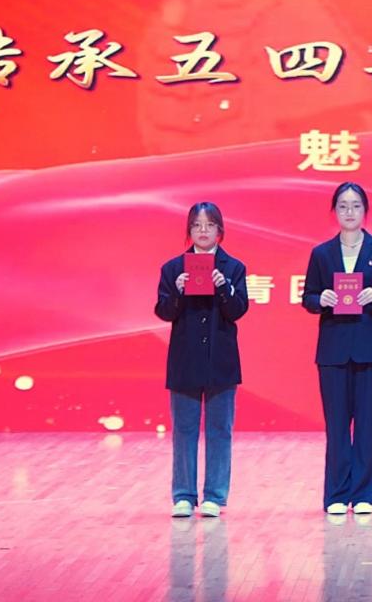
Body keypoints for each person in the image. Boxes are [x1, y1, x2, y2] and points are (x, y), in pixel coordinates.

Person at [302, 182, 372, 515]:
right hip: (333, 350)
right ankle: (336, 494)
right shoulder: (322, 254)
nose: (349, 212)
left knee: (368, 423)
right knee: (337, 424)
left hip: (371, 349)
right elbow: (308, 297)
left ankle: (364, 495)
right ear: (334, 211)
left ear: (365, 210)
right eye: (343, 206)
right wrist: (321, 299)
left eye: (356, 205)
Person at [155, 202, 249, 518]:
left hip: (221, 361)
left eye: (209, 225)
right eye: (197, 225)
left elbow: (238, 310)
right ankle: (183, 495)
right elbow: (163, 311)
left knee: (220, 429)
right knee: (184, 429)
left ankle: (215, 496)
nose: (203, 230)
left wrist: (224, 288)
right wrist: (178, 292)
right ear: (189, 231)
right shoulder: (173, 269)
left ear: (220, 230)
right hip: (185, 360)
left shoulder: (234, 268)